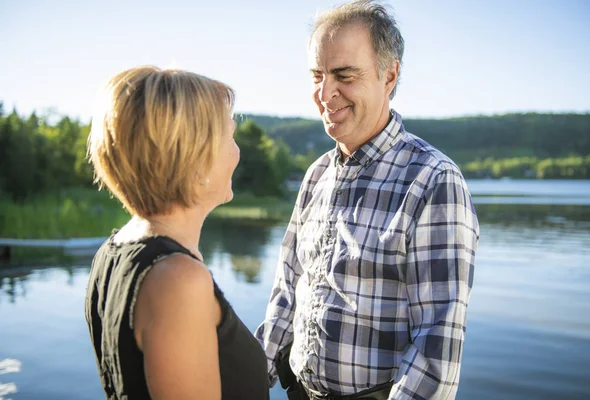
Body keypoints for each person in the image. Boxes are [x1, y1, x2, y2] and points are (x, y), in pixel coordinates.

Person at [255, 1, 479, 399]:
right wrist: (248, 380)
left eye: (344, 75)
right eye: (317, 75)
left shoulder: (433, 180)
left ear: (389, 76)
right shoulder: (316, 175)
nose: (325, 93)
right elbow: (286, 293)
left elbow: (437, 344)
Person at [84, 66, 270, 400]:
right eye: (230, 137)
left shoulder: (112, 251)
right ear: (195, 159)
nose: (237, 152)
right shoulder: (179, 280)